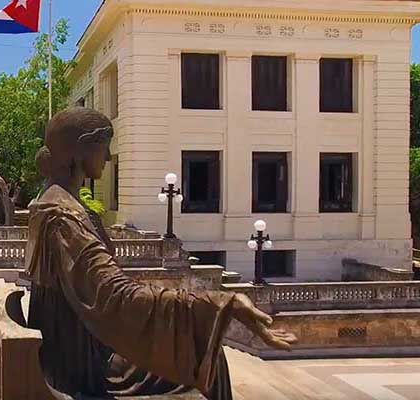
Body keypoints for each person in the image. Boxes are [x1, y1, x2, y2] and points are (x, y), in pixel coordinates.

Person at [25, 107, 297, 400]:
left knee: (203, 355)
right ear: (80, 150)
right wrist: (220, 303)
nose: (106, 158)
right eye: (103, 148)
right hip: (84, 364)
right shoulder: (64, 218)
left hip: (81, 344)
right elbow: (115, 295)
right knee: (207, 361)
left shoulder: (55, 203)